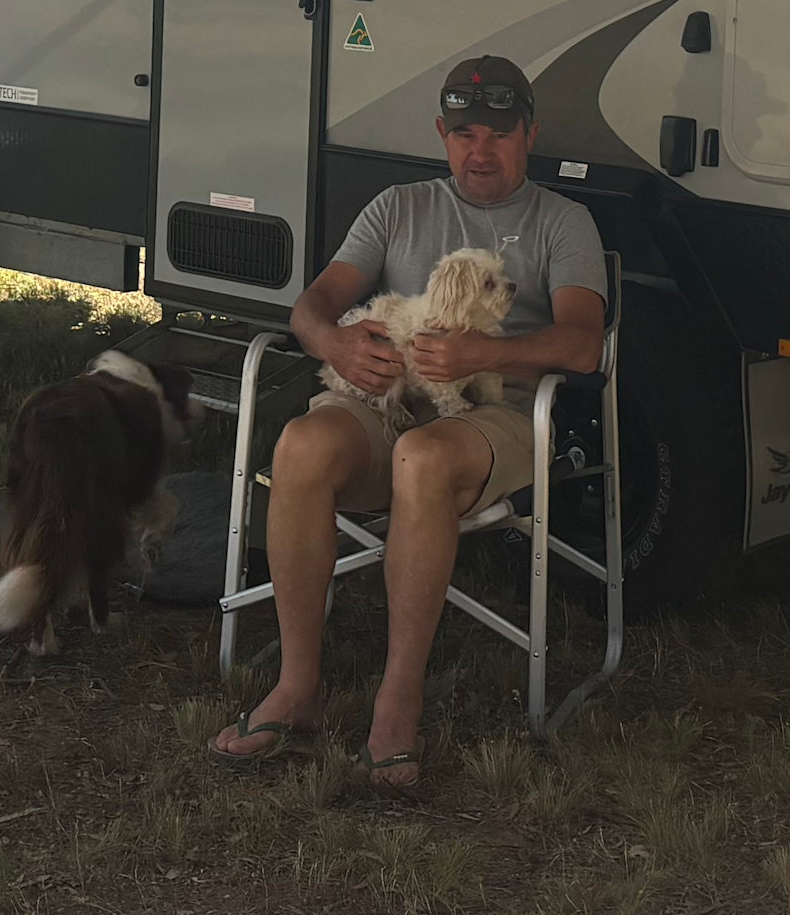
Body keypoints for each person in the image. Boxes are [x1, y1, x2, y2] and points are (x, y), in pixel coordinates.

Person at [211, 53, 607, 791]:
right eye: (464, 134)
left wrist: (484, 352)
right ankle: (298, 686)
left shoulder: (563, 221)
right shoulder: (399, 207)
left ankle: (397, 702)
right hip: (383, 398)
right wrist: (333, 343)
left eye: (497, 133)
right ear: (442, 134)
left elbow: (583, 343)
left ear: (530, 134)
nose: (479, 150)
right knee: (301, 444)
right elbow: (311, 307)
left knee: (422, 460)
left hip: (496, 412)